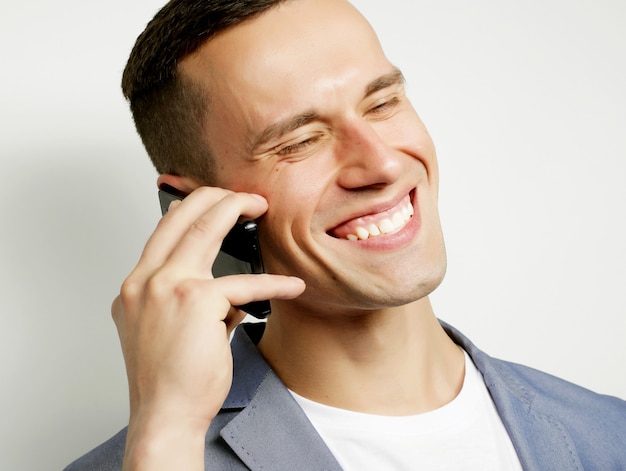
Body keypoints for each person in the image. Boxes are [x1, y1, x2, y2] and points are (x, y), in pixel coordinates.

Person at [65, 0, 626, 470]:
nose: (382, 164)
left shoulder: (610, 434)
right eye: (299, 141)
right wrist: (166, 434)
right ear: (195, 206)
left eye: (382, 103)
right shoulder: (157, 457)